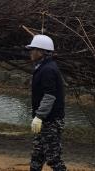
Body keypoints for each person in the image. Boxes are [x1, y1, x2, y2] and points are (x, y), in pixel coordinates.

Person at [27, 34, 67, 171]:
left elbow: (49, 96)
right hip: (46, 120)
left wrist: (39, 116)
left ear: (41, 51)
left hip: (50, 121)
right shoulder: (43, 67)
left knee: (53, 158)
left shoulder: (48, 70)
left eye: (33, 49)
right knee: (37, 155)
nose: (30, 52)